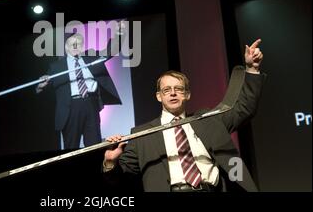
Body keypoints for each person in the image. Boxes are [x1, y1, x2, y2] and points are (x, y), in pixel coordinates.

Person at [103, 39, 265, 192]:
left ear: (187, 94)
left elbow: (244, 108)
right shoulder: (141, 134)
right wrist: (110, 162)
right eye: (166, 90)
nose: (173, 93)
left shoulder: (209, 120)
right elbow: (121, 179)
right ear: (159, 96)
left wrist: (252, 68)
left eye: (178, 89)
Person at [36, 23, 125, 149]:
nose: (76, 45)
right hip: (70, 108)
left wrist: (119, 34)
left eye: (79, 43)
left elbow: (112, 50)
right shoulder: (56, 67)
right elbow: (41, 88)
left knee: (94, 145)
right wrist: (41, 85)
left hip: (91, 104)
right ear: (66, 47)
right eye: (73, 43)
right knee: (70, 147)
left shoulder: (91, 56)